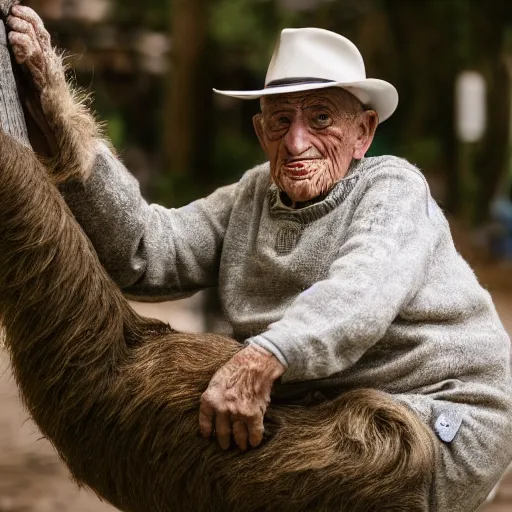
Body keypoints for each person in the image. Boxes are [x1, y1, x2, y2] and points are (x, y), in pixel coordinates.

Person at [6, 6, 512, 510]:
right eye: (281, 120)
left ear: (364, 132)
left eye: (320, 118)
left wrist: (263, 357)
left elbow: (359, 293)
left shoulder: (392, 188)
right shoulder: (252, 195)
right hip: (337, 399)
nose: (297, 142)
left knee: (261, 468)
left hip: (442, 416)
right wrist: (61, 116)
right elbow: (147, 250)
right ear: (260, 131)